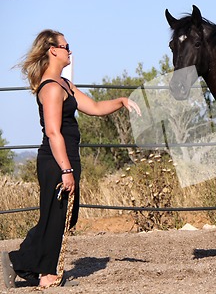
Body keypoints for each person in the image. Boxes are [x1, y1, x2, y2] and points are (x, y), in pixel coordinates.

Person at [1, 29, 141, 288]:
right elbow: (54, 132)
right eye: (66, 46)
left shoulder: (64, 84)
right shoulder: (51, 88)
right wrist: (66, 170)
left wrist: (121, 100)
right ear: (53, 50)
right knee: (56, 217)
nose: (70, 50)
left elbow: (96, 108)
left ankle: (18, 261)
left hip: (67, 159)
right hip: (56, 161)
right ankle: (47, 275)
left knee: (65, 216)